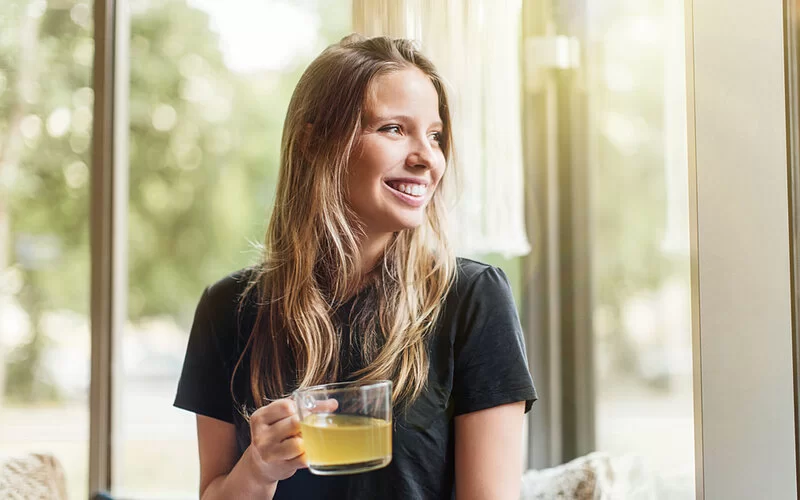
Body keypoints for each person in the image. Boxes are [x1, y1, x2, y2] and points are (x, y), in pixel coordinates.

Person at [174, 33, 537, 500]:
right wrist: (258, 469)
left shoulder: (473, 298)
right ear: (313, 143)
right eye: (393, 129)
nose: (427, 158)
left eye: (435, 135)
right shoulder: (228, 309)